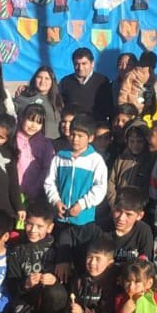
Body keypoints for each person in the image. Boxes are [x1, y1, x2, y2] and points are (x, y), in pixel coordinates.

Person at [45, 115, 109, 281]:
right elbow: (49, 182)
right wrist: (56, 201)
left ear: (91, 137)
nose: (75, 139)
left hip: (84, 222)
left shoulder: (96, 161)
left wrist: (82, 204)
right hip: (61, 221)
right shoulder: (60, 157)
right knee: (61, 262)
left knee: (82, 264)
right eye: (73, 134)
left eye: (81, 135)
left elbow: (100, 188)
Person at [6, 200, 67, 313]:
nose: (33, 230)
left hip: (50, 297)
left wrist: (55, 279)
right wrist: (25, 284)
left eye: (40, 226)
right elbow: (12, 281)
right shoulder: (16, 248)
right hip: (27, 298)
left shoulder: (57, 247)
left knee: (55, 292)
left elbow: (67, 276)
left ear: (50, 227)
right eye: (29, 224)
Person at [64, 238, 121, 313]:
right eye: (89, 257)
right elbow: (73, 300)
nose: (92, 263)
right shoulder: (79, 279)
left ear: (110, 263)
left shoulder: (111, 283)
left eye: (98, 259)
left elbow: (107, 312)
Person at [95, 186, 155, 264]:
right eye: (118, 211)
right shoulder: (99, 228)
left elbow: (144, 264)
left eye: (128, 214)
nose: (121, 218)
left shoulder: (143, 231)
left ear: (139, 216)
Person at [60, 47, 115, 123]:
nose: (80, 68)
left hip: (95, 126)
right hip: (73, 128)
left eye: (84, 63)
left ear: (92, 63)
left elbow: (107, 108)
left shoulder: (102, 81)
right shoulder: (65, 82)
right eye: (77, 64)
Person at [106, 123, 153, 211]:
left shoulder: (148, 162)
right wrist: (114, 204)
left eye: (139, 141)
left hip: (136, 209)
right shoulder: (121, 159)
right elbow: (111, 183)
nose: (135, 145)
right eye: (132, 141)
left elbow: (146, 189)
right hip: (117, 206)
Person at [16, 103, 55, 202]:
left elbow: (47, 168)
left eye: (38, 122)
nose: (33, 125)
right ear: (22, 118)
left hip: (36, 194)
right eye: (30, 120)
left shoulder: (46, 144)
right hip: (14, 191)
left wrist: (37, 189)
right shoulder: (13, 139)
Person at [14, 66, 63, 139]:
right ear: (34, 79)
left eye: (47, 78)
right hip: (31, 144)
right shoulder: (25, 97)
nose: (42, 81)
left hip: (54, 145)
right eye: (39, 77)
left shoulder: (58, 100)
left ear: (52, 81)